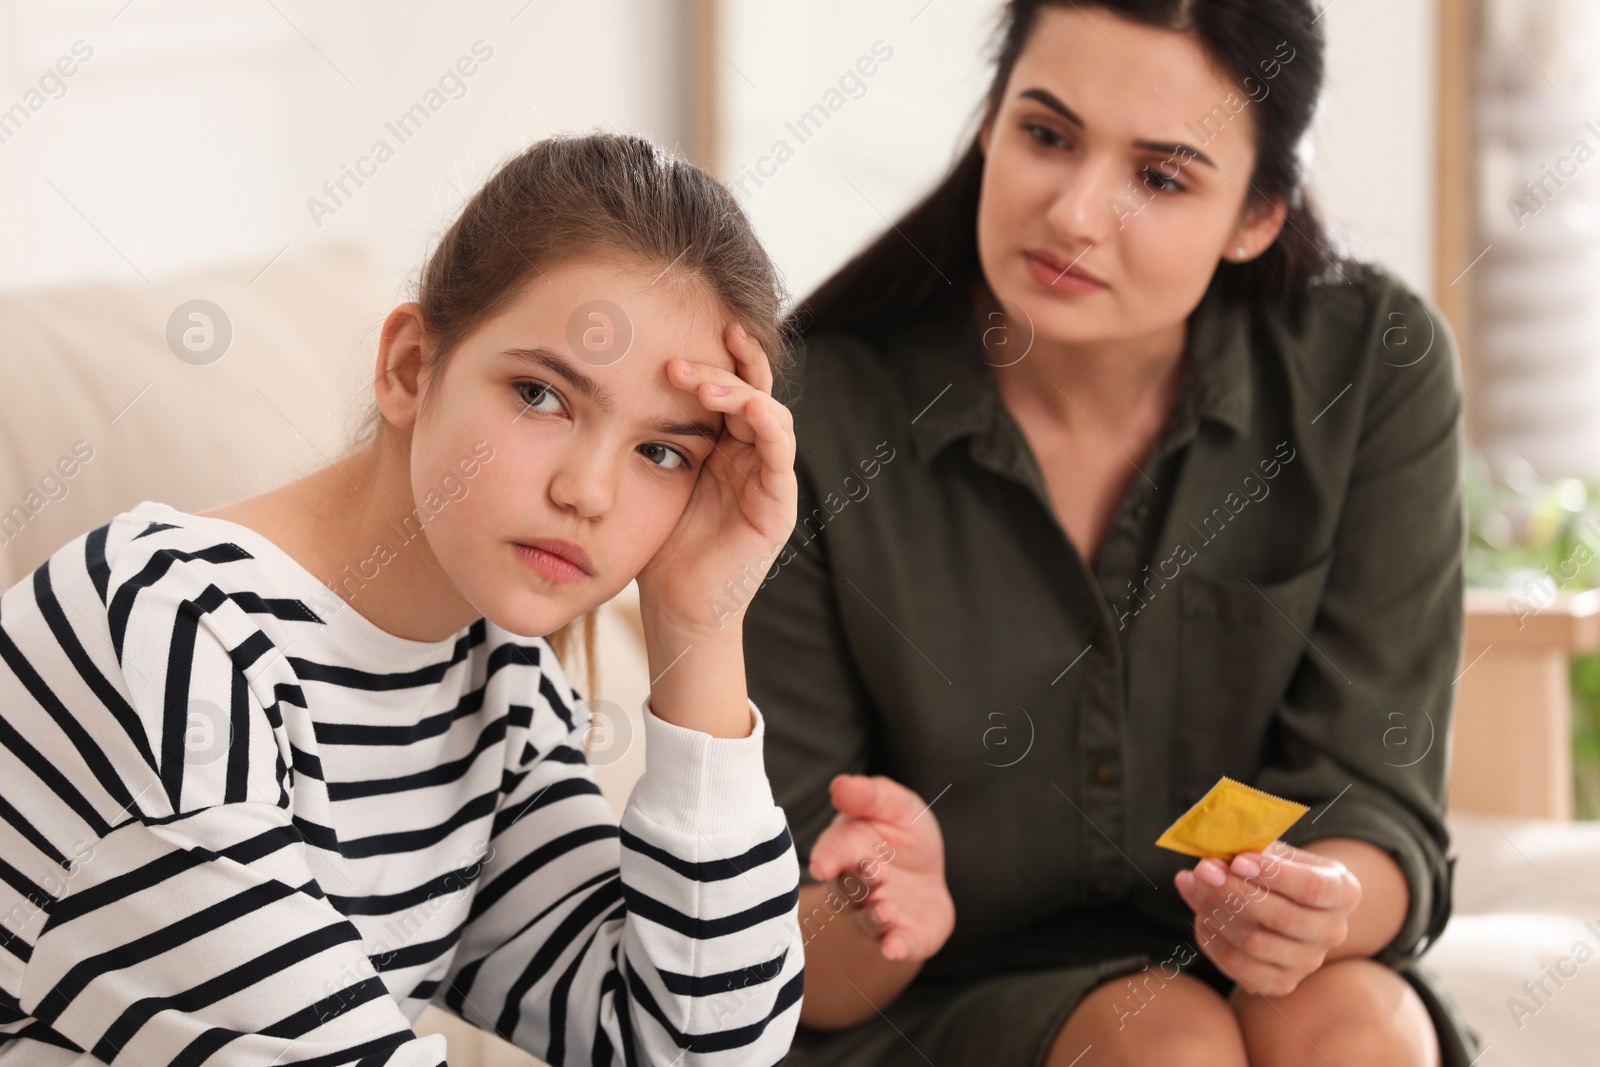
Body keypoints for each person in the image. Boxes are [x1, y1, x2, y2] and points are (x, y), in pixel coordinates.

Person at [743, 2, 1478, 1065]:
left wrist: (1324, 899)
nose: (1076, 213)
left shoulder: (1372, 367)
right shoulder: (819, 416)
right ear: (992, 120)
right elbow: (795, 962)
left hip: (1278, 990)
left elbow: (1383, 800)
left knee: (1357, 1021)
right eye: (1046, 134)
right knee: (1163, 1039)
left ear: (1257, 214)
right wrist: (886, 900)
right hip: (936, 1009)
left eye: (1161, 176)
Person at [0, 133, 804, 1065]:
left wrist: (701, 628)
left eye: (663, 452)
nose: (590, 491)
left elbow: (695, 1048)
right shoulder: (158, 639)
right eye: (543, 395)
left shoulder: (495, 683)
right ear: (411, 367)